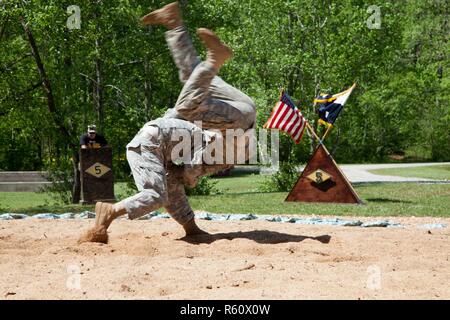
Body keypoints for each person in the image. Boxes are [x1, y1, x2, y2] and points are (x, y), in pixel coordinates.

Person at [78, 2, 256, 244]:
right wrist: (192, 177)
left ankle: (175, 24)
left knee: (191, 78)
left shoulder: (188, 137)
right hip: (238, 121)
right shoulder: (207, 141)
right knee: (187, 102)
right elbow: (195, 162)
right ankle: (213, 58)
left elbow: (178, 185)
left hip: (237, 115)